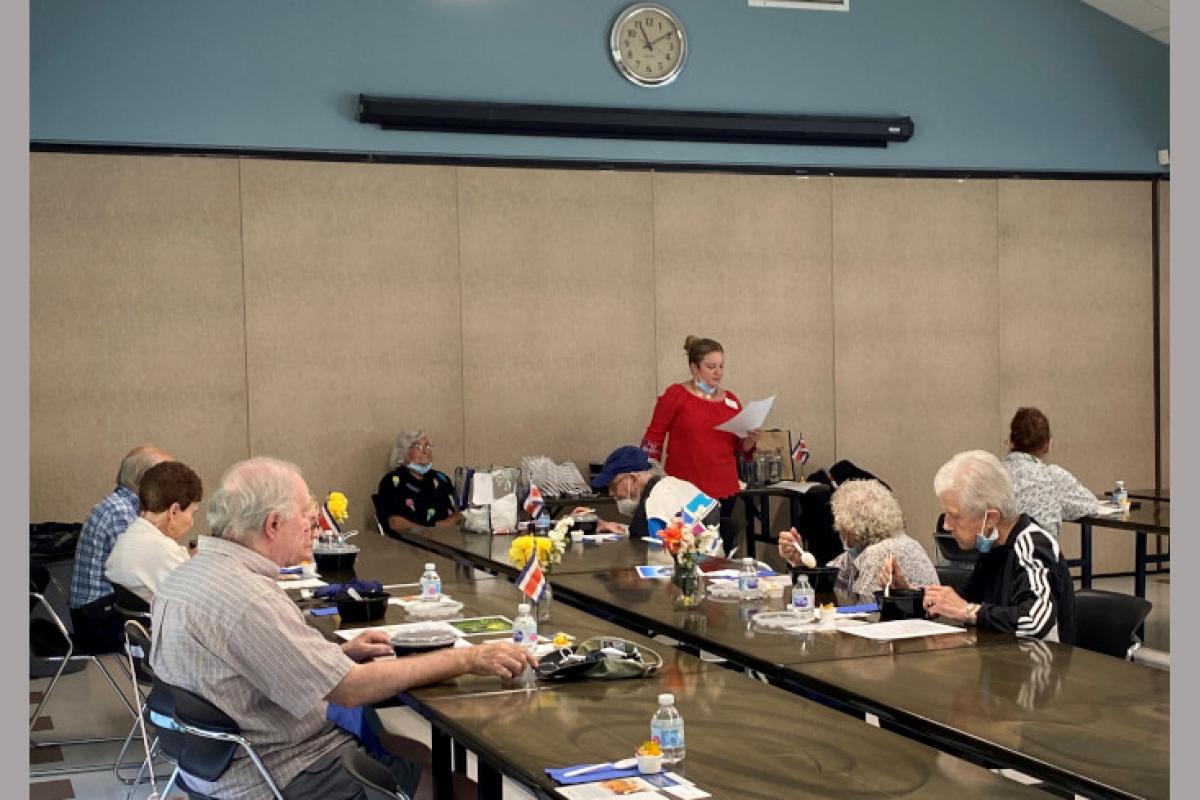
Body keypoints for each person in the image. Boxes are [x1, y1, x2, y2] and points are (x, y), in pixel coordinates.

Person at [151, 457, 536, 799]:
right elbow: (350, 689)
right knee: (469, 791)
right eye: (305, 512)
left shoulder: (190, 575)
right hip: (283, 774)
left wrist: (335, 655)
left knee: (413, 751)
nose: (312, 523)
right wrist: (467, 658)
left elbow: (250, 665)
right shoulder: (249, 598)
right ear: (272, 524)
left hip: (216, 768)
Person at [889, 450, 1075, 643]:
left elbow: (1035, 621)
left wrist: (967, 610)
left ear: (991, 518)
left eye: (955, 516)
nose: (946, 525)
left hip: (1042, 666)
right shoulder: (992, 547)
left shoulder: (1033, 545)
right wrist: (909, 592)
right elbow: (963, 601)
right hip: (1001, 660)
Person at [640, 335, 760, 552]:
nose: (718, 372)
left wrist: (750, 440)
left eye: (721, 366)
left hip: (724, 487)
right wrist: (648, 478)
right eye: (711, 366)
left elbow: (741, 449)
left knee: (715, 548)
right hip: (686, 488)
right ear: (695, 368)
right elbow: (654, 437)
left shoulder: (731, 401)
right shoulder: (676, 395)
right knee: (688, 546)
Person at [69, 444, 171, 651]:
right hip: (98, 621)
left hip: (98, 612)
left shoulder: (120, 505)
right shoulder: (121, 513)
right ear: (146, 481)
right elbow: (138, 575)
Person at [777, 479, 937, 598]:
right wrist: (799, 561)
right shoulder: (862, 550)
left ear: (851, 526)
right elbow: (823, 584)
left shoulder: (879, 553)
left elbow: (862, 609)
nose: (837, 529)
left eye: (840, 523)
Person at [104, 460, 202, 603]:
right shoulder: (163, 551)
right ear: (174, 511)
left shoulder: (129, 536)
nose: (191, 522)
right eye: (192, 512)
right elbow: (200, 599)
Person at [588, 445, 721, 543]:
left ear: (633, 478)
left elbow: (651, 556)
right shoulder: (678, 485)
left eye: (613, 485)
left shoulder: (653, 507)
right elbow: (666, 533)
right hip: (713, 562)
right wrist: (621, 528)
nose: (612, 493)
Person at [1001, 406, 1100, 537]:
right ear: (1047, 445)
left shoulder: (990, 474)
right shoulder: (1054, 477)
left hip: (994, 555)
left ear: (1011, 442)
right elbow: (1090, 505)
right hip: (1039, 554)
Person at [377, 430, 460, 533]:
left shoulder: (441, 478)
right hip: (411, 544)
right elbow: (395, 523)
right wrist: (434, 527)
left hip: (448, 538)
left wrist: (455, 519)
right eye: (418, 447)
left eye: (427, 446)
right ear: (404, 452)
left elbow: (458, 510)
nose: (425, 451)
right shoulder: (393, 482)